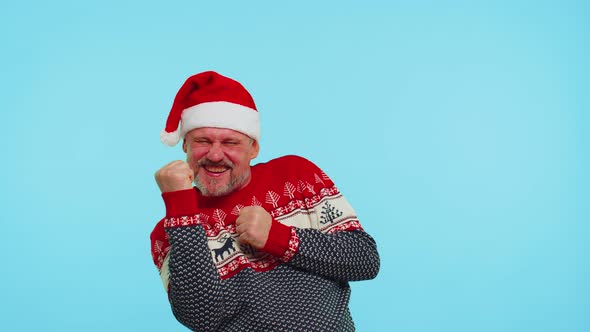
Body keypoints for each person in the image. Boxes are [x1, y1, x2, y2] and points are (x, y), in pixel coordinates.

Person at [150, 71, 380, 331]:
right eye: (202, 141)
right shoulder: (170, 230)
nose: (215, 154)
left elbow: (365, 260)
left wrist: (277, 238)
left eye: (230, 142)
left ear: (253, 148)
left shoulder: (297, 176)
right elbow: (201, 317)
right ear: (185, 147)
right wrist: (180, 210)